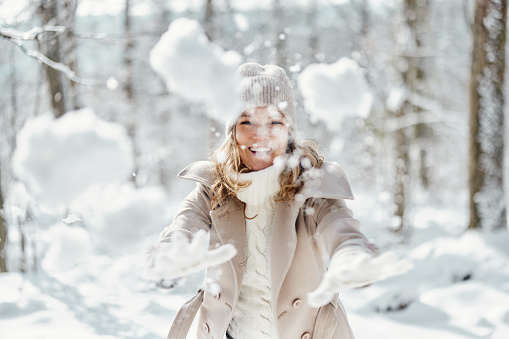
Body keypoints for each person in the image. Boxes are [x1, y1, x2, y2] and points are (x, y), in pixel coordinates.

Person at [146, 63, 383, 339]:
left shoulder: (313, 185)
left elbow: (340, 227)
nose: (261, 134)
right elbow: (184, 227)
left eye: (274, 122)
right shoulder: (213, 188)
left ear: (289, 131)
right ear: (232, 131)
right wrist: (169, 256)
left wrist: (352, 254)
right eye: (247, 121)